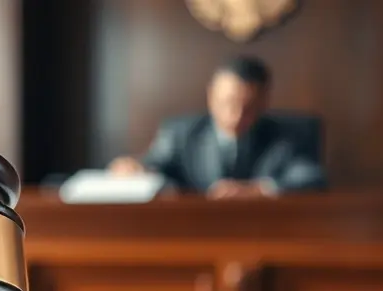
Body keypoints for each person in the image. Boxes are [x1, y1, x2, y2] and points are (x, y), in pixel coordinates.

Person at [108, 55, 327, 198]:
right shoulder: (181, 133)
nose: (236, 116)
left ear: (265, 102)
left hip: (266, 233)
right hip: (196, 233)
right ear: (211, 96)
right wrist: (136, 167)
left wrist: (259, 189)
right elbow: (156, 164)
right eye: (228, 103)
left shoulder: (288, 135)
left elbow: (311, 178)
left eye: (248, 107)